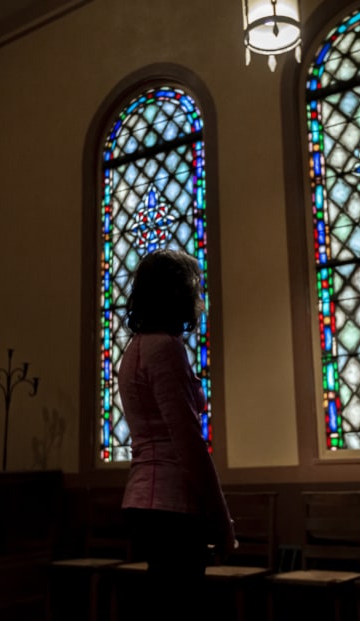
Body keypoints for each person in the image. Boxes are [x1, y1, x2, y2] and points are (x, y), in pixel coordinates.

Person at [118, 249, 235, 619]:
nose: (197, 298)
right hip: (172, 506)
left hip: (143, 500)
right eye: (192, 288)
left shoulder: (133, 349)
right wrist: (222, 520)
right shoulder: (165, 348)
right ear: (174, 293)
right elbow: (189, 445)